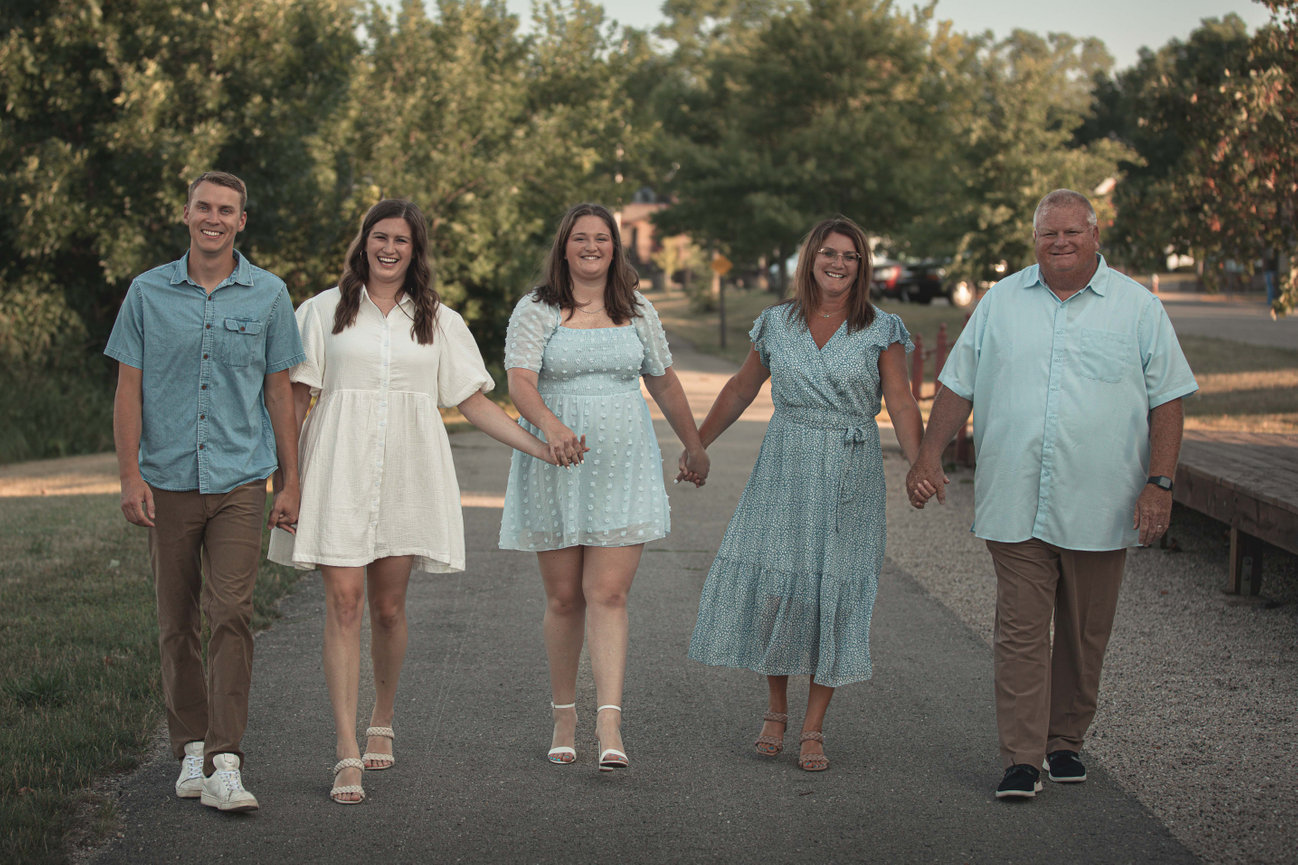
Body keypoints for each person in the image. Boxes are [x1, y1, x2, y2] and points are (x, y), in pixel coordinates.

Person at [906, 189, 1198, 800]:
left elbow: (1167, 398)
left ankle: (1065, 740)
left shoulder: (1138, 308)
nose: (1059, 243)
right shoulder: (1002, 302)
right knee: (1019, 630)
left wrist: (1160, 483)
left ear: (1096, 235)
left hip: (1103, 498)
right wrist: (930, 453)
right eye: (1047, 234)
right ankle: (1021, 758)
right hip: (1015, 496)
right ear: (1034, 239)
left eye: (1071, 232)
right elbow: (958, 382)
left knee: (1084, 630)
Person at [268, 199, 558, 804]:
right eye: (380, 236)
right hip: (337, 468)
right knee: (343, 602)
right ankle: (346, 750)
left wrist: (539, 445)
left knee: (388, 608)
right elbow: (296, 399)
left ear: (415, 249)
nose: (389, 248)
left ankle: (382, 718)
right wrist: (288, 481)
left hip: (407, 472)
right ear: (363, 243)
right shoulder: (322, 312)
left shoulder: (439, 320)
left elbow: (473, 402)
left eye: (401, 239)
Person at [687, 216, 924, 772]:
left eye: (850, 256)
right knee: (778, 586)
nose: (839, 264)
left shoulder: (881, 328)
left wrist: (922, 464)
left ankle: (814, 725)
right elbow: (742, 387)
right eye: (829, 253)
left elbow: (903, 401)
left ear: (861, 266)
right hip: (785, 463)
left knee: (830, 595)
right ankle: (775, 710)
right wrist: (697, 444)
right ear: (810, 259)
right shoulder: (777, 323)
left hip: (849, 468)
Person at [106, 171, 303, 812]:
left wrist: (290, 480)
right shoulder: (147, 292)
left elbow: (279, 393)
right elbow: (128, 388)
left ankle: (225, 759)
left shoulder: (269, 295)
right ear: (186, 213)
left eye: (227, 209)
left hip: (242, 479)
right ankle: (189, 746)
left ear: (242, 221)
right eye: (204, 207)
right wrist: (130, 474)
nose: (214, 217)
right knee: (175, 620)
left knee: (232, 615)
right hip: (167, 481)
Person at [498, 202, 709, 771]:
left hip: (624, 463)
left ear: (615, 248)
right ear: (564, 246)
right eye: (580, 238)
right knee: (565, 598)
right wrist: (550, 426)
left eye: (602, 239)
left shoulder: (637, 309)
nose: (592, 247)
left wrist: (694, 444)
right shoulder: (536, 309)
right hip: (555, 461)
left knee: (609, 596)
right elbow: (519, 382)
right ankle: (564, 713)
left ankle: (608, 721)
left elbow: (664, 383)